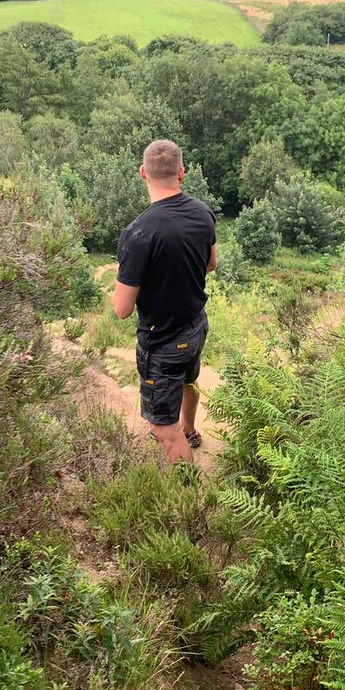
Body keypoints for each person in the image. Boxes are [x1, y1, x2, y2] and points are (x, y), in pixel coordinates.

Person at [112, 139, 217, 464]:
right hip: (196, 324)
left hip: (163, 340)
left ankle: (189, 503)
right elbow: (211, 264)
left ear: (143, 173)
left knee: (162, 429)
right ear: (181, 173)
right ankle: (189, 429)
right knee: (189, 378)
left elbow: (122, 308)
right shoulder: (203, 213)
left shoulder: (139, 233)